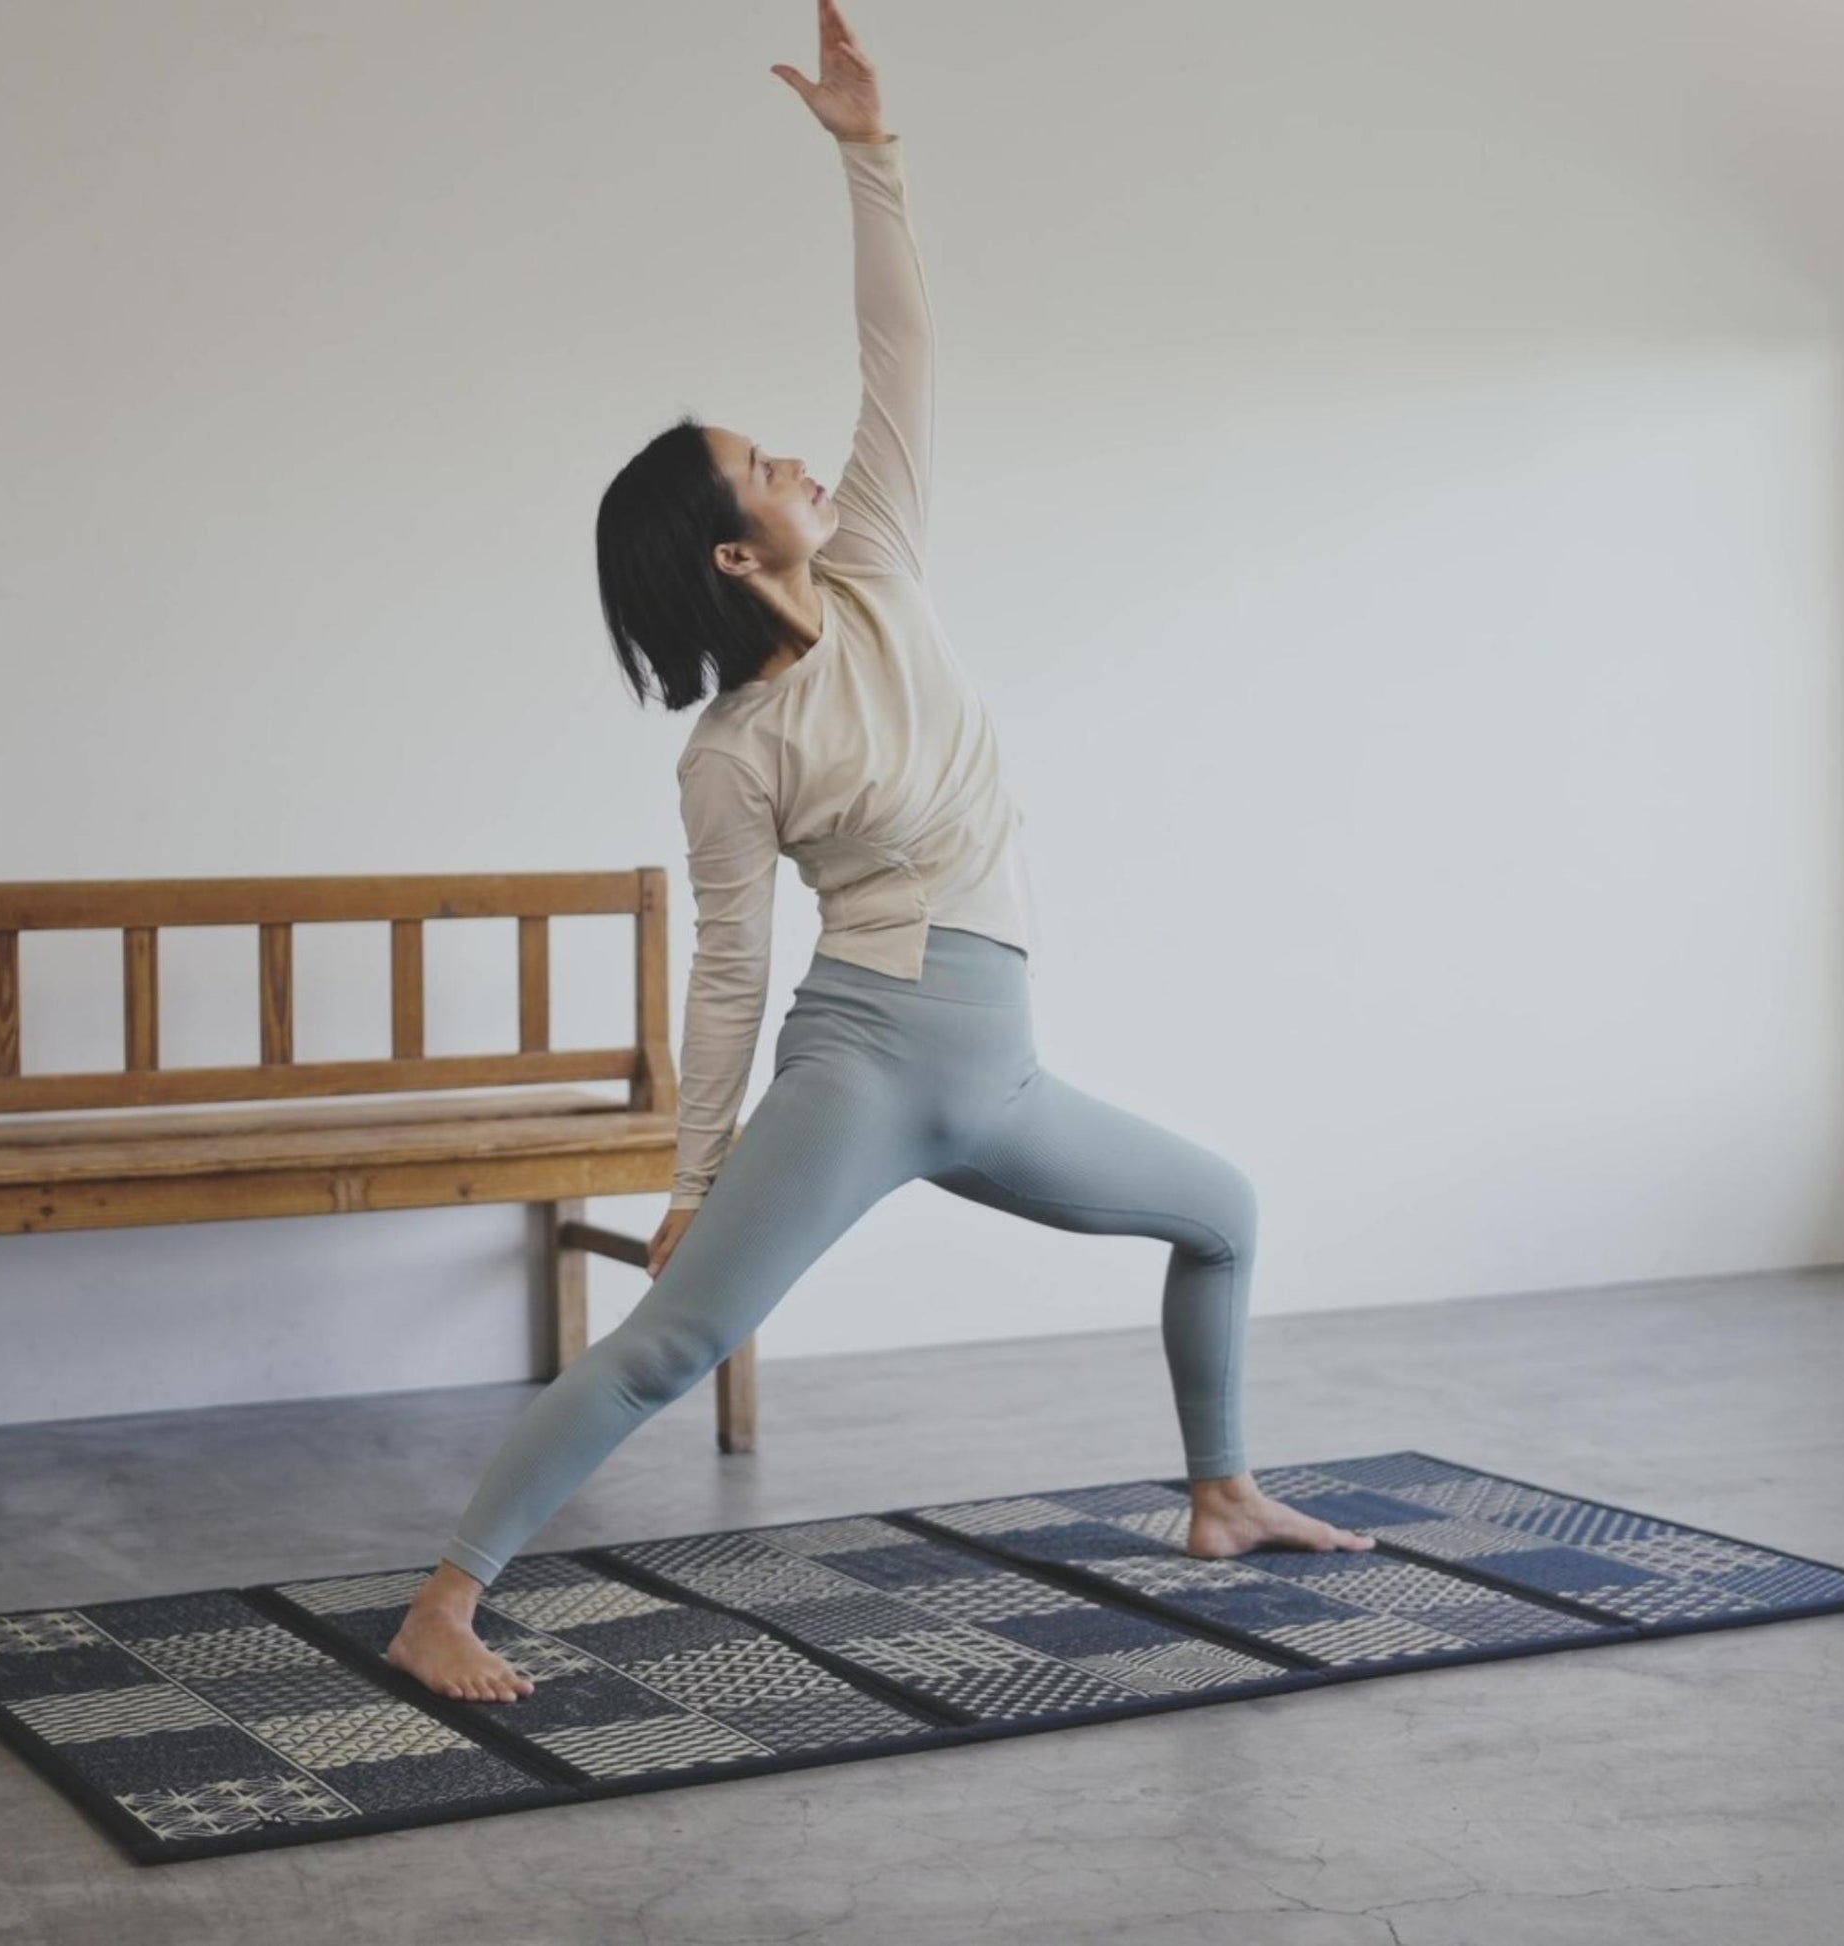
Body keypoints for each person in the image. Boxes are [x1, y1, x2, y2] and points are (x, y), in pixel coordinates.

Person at [386, 0, 1372, 1708]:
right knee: (674, 1339)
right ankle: (445, 1599)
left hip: (995, 1069)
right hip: (865, 1060)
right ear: (729, 545)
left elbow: (899, 351)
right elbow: (730, 964)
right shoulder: (734, 752)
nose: (795, 456)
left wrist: (866, 153)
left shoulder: (879, 568)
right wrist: (694, 1176)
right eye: (758, 466)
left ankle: (1219, 1494)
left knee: (1219, 1211)